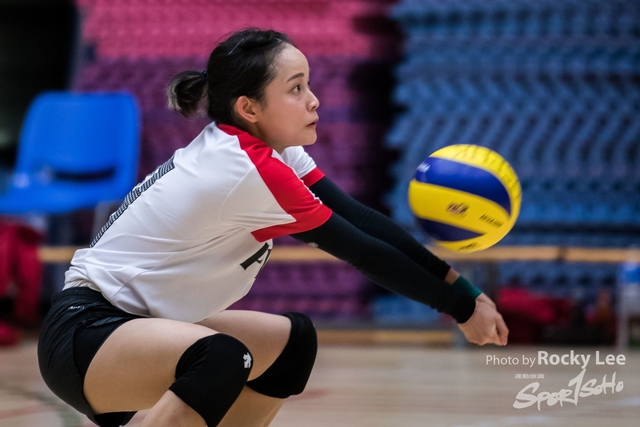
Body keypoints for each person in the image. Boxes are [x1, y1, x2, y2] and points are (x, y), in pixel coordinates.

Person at [38, 28, 509, 427]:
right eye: (296, 88)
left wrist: (463, 290)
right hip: (87, 334)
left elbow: (363, 221)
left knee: (292, 343)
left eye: (309, 85)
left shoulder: (270, 152)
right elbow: (362, 251)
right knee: (221, 356)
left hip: (143, 327)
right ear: (249, 108)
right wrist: (459, 308)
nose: (314, 100)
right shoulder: (245, 168)